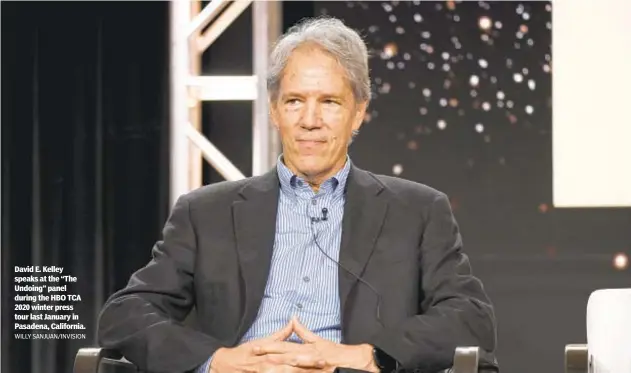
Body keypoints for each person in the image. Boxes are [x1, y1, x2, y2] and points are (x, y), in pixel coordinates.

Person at [97, 16, 497, 373]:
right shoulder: (205, 213)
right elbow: (125, 315)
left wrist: (366, 355)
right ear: (273, 110)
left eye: (329, 102)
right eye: (294, 102)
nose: (310, 121)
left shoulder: (418, 210)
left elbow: (470, 318)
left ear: (358, 112)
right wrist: (218, 360)